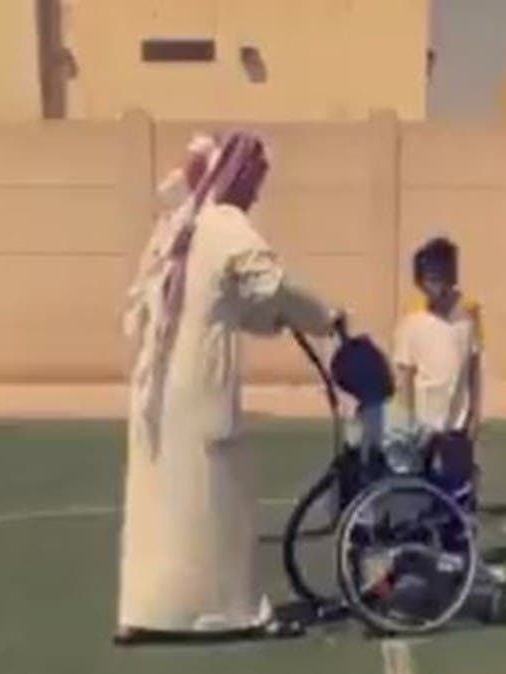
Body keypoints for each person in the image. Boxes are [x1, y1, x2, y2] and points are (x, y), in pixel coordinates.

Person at [116, 132, 341, 643]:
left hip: (159, 396)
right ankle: (239, 613)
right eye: (256, 181)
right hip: (201, 392)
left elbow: (224, 306)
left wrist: (276, 320)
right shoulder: (223, 224)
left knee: (162, 503)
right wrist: (325, 318)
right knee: (223, 501)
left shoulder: (178, 227)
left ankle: (150, 611)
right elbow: (272, 286)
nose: (257, 193)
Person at [391, 236, 506, 611]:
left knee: (460, 500)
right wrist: (408, 425)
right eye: (427, 276)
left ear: (452, 275)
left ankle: (463, 567)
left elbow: (473, 368)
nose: (433, 283)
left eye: (440, 275)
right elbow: (405, 378)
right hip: (423, 428)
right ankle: (418, 569)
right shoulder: (411, 321)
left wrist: (476, 414)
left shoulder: (467, 317)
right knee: (422, 502)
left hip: (456, 427)